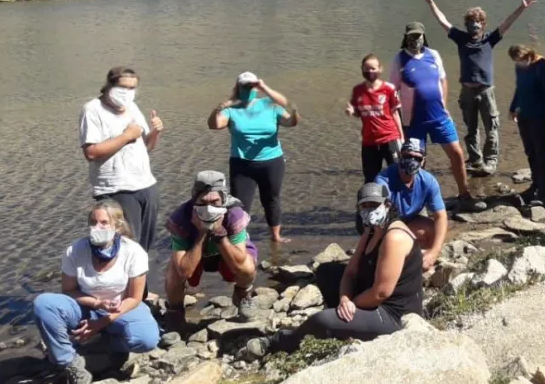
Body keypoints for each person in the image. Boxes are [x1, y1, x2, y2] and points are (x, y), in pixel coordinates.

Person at [265, 182, 423, 353]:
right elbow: (350, 272)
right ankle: (344, 323)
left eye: (374, 205)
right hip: (369, 297)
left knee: (322, 320)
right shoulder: (371, 229)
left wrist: (352, 304)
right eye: (364, 206)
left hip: (394, 315)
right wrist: (344, 300)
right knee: (327, 272)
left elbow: (381, 293)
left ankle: (280, 342)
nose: (369, 210)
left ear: (387, 205)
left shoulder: (395, 237)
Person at [32, 201, 160, 384]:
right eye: (93, 222)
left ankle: (105, 347)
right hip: (87, 307)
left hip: (122, 307)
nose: (96, 227)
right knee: (44, 304)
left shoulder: (133, 251)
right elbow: (68, 290)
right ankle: (70, 362)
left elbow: (135, 298)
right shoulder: (75, 250)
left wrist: (101, 323)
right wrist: (97, 303)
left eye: (103, 223)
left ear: (117, 226)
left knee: (147, 339)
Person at [419, 0, 538, 175]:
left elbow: (507, 23)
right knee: (471, 129)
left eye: (477, 22)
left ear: (483, 24)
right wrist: (430, 2)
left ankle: (490, 162)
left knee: (492, 127)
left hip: (486, 90)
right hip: (467, 91)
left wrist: (521, 8)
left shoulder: (490, 39)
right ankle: (475, 160)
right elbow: (443, 21)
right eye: (471, 22)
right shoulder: (461, 38)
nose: (474, 25)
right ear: (467, 24)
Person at [389, 22, 477, 206]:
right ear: (406, 37)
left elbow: (443, 80)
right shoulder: (399, 59)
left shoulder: (433, 54)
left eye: (418, 36)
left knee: (457, 153)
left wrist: (443, 103)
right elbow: (392, 91)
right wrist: (395, 120)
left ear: (424, 36)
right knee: (415, 162)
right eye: (411, 36)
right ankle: (417, 202)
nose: (415, 39)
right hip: (413, 121)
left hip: (440, 117)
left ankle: (464, 194)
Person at [79, 67, 164, 253]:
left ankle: (142, 273)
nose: (128, 92)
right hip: (117, 189)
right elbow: (91, 152)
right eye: (123, 87)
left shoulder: (132, 107)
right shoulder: (93, 109)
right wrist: (126, 136)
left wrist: (156, 132)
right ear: (110, 85)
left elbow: (146, 146)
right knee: (125, 247)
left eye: (132, 88)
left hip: (146, 185)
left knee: (143, 249)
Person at [208, 71, 299, 243]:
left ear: (257, 87)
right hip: (242, 164)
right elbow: (214, 125)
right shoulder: (231, 108)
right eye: (245, 86)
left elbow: (290, 122)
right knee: (239, 204)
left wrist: (264, 87)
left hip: (272, 162)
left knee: (271, 199)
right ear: (237, 87)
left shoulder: (270, 104)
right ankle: (238, 239)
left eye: (252, 86)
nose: (248, 89)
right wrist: (218, 108)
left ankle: (276, 237)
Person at [164, 170, 259, 323]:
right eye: (202, 202)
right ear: (194, 200)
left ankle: (242, 294)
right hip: (194, 254)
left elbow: (239, 262)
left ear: (224, 199)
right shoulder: (180, 219)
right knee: (174, 273)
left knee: (247, 267)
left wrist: (219, 232)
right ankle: (176, 310)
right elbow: (185, 271)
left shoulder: (234, 215)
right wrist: (202, 232)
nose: (208, 208)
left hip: (225, 253)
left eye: (214, 202)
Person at [375, 138, 448, 270]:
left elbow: (441, 216)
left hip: (408, 219)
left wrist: (434, 252)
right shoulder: (383, 181)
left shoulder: (428, 181)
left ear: (423, 161)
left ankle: (419, 260)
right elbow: (380, 221)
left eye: (417, 158)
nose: (412, 161)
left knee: (434, 231)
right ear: (400, 156)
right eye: (408, 156)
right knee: (393, 242)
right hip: (384, 224)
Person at [508, 44, 545, 205]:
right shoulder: (520, 67)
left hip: (540, 116)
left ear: (528, 55)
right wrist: (513, 107)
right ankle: (536, 183)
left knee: (541, 152)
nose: (519, 63)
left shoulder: (543, 67)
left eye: (521, 60)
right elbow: (519, 88)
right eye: (516, 61)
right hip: (524, 114)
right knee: (530, 151)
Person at [346, 54, 405, 181]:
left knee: (398, 175)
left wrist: (401, 138)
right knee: (370, 179)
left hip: (390, 139)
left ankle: (396, 195)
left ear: (380, 69)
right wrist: (351, 112)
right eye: (366, 68)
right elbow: (358, 113)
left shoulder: (388, 89)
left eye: (373, 68)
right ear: (362, 69)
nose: (370, 71)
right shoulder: (358, 90)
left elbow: (395, 114)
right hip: (369, 142)